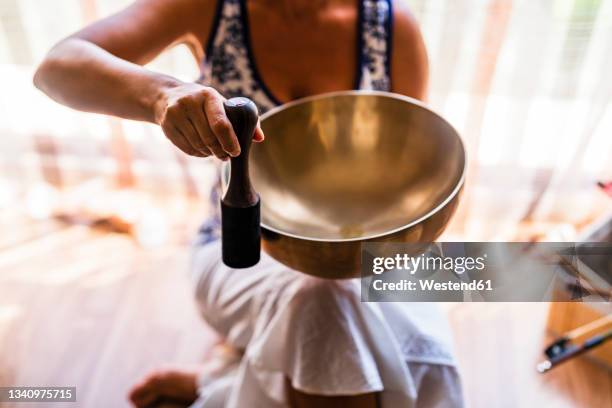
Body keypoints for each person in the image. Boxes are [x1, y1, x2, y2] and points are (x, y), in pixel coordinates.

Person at [34, 0, 463, 407]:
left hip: (371, 256)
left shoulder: (392, 28)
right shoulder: (212, 8)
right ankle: (239, 368)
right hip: (237, 248)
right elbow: (57, 68)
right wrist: (161, 95)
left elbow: (410, 171)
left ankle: (228, 378)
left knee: (356, 322)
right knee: (323, 302)